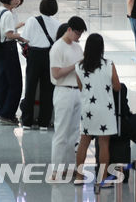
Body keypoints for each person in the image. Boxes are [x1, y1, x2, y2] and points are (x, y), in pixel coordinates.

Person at [75, 33, 121, 184]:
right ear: (101, 48)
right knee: (103, 144)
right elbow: (117, 86)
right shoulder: (109, 64)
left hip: (88, 110)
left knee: (83, 143)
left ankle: (79, 177)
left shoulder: (78, 66)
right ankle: (102, 178)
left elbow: (81, 88)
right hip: (105, 110)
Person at [49, 16, 87, 180]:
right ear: (69, 29)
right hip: (63, 91)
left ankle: (71, 168)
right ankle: (57, 169)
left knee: (74, 132)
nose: (79, 37)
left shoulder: (78, 48)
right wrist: (75, 66)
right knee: (61, 132)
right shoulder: (57, 48)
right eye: (77, 33)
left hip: (77, 92)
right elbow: (56, 74)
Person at [0, 0, 29, 126]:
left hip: (0, 51)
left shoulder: (1, 10)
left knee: (2, 83)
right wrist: (23, 37)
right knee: (15, 84)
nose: (18, 0)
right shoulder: (8, 14)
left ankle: (1, 111)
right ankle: (7, 114)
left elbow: (7, 28)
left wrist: (21, 24)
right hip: (8, 50)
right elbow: (8, 34)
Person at [19, 0, 59, 129]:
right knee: (48, 90)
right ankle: (44, 122)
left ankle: (27, 121)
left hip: (35, 55)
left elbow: (24, 39)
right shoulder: (57, 23)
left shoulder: (32, 21)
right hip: (49, 56)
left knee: (30, 88)